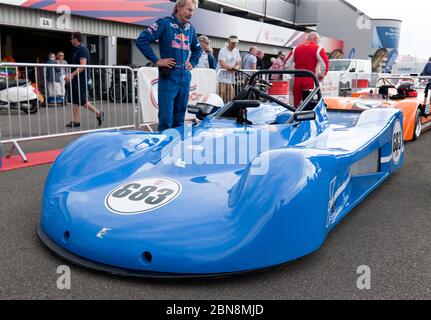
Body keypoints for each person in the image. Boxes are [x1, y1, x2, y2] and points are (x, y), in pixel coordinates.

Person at [136, 0, 201, 132]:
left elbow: (198, 49)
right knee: (166, 119)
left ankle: (177, 150)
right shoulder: (164, 23)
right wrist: (157, 60)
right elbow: (142, 40)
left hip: (185, 76)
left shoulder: (191, 28)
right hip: (169, 76)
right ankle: (163, 150)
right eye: (188, 10)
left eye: (192, 11)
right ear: (178, 7)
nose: (191, 14)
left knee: (180, 117)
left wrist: (192, 62)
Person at [64, 32, 104, 128]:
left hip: (81, 79)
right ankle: (76, 121)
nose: (70, 40)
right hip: (75, 79)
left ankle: (98, 113)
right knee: (74, 100)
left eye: (72, 38)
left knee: (82, 101)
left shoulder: (82, 49)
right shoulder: (76, 50)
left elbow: (82, 66)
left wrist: (72, 75)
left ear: (76, 39)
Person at [284, 32, 330, 107]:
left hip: (297, 79)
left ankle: (296, 117)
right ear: (316, 39)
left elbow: (287, 64)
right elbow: (325, 63)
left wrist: (294, 70)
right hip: (311, 79)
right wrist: (321, 75)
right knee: (310, 104)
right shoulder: (318, 49)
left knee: (296, 105)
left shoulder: (296, 48)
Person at [217, 35, 241, 103]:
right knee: (221, 97)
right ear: (228, 42)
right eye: (233, 43)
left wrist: (236, 68)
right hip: (221, 78)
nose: (234, 44)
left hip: (231, 79)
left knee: (231, 97)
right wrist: (233, 68)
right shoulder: (223, 50)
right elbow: (223, 64)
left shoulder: (236, 51)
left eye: (236, 43)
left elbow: (238, 64)